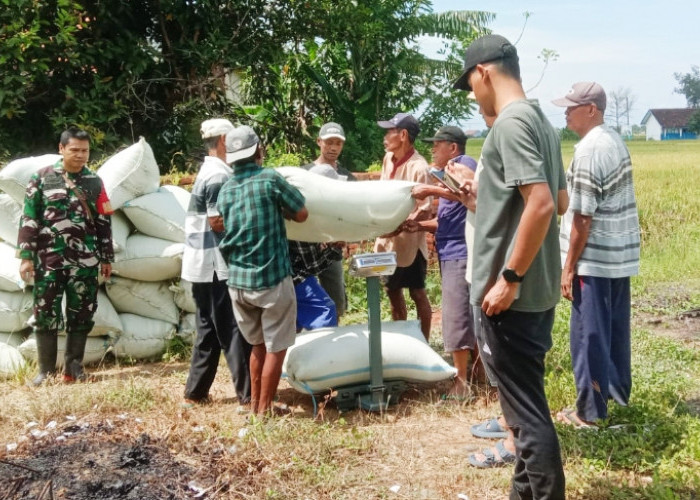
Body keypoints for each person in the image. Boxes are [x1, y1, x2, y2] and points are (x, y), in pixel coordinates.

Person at [453, 34, 567, 498]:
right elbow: (558, 200)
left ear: (483, 72)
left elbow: (541, 204)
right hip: (536, 292)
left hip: (511, 297)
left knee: (526, 418)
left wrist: (508, 278)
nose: (473, 95)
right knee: (526, 405)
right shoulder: (543, 122)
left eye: (471, 85)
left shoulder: (510, 124)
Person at [552, 82, 640, 427]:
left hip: (594, 259)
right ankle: (616, 399)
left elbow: (582, 217)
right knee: (614, 331)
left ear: (591, 109)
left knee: (588, 334)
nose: (566, 113)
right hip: (617, 257)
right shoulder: (613, 139)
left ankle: (588, 413)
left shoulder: (588, 150)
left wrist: (569, 268)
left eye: (571, 107)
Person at [217, 125, 308, 416]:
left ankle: (256, 406)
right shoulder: (269, 178)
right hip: (270, 279)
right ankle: (265, 410)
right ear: (259, 151)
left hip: (238, 282)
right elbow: (302, 213)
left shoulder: (226, 189)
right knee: (276, 347)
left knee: (256, 345)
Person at [17, 127, 113, 386]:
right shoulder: (43, 178)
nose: (81, 155)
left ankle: (74, 370)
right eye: (75, 150)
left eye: (85, 151)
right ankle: (45, 373)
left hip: (85, 261)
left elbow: (104, 221)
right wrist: (26, 256)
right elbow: (29, 217)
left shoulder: (95, 182)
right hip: (49, 260)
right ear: (61, 149)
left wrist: (106, 257)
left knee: (82, 314)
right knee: (45, 312)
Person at [181, 118, 252, 410]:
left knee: (208, 328)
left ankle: (194, 393)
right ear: (224, 141)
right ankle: (249, 398)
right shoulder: (219, 176)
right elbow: (217, 221)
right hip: (215, 264)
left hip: (201, 263)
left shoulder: (211, 171)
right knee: (233, 329)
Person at [407, 126, 482, 398]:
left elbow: (468, 194)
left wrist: (429, 189)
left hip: (460, 252)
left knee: (457, 315)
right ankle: (478, 376)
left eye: (437, 144)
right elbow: (446, 221)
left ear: (453, 147)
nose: (433, 149)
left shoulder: (462, 165)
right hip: (452, 249)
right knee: (465, 313)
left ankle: (462, 383)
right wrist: (418, 226)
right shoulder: (449, 172)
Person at [374, 113, 432, 340]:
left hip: (409, 244)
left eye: (390, 132)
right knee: (392, 290)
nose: (385, 137)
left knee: (417, 293)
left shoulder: (419, 167)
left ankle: (424, 344)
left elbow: (424, 207)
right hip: (387, 241)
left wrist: (407, 223)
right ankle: (404, 341)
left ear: (403, 135)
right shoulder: (388, 159)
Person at [302, 122, 355, 318]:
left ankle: (335, 337)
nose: (333, 148)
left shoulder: (346, 177)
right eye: (329, 142)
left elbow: (352, 210)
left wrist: (344, 236)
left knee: (336, 300)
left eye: (338, 143)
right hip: (304, 248)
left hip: (333, 247)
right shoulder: (304, 173)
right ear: (319, 142)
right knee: (302, 297)